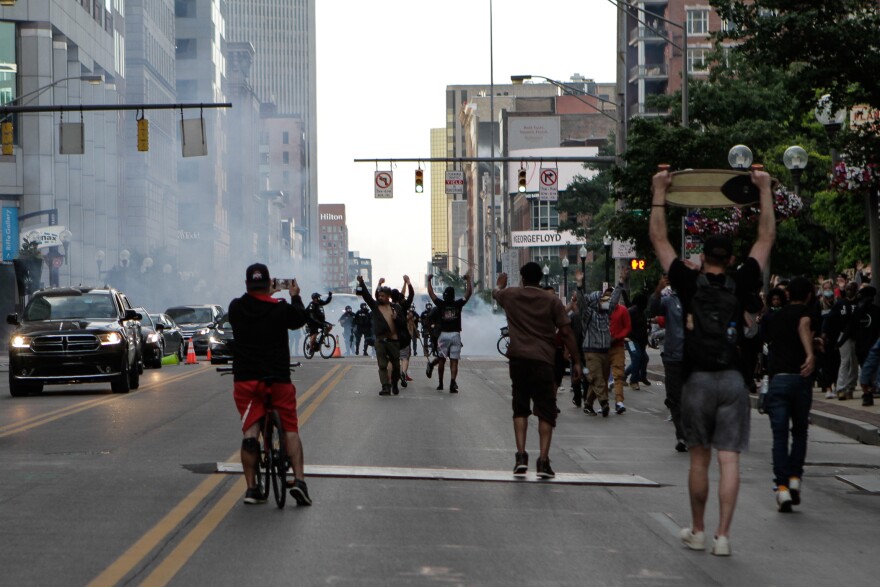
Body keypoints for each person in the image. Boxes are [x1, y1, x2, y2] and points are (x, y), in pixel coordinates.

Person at [650, 165, 774, 557]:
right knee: (730, 459)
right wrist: (765, 189)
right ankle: (723, 536)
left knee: (699, 459)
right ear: (733, 258)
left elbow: (658, 237)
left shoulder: (687, 283)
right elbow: (767, 236)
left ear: (702, 257)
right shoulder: (744, 280)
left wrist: (660, 191)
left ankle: (698, 530)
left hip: (697, 380)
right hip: (734, 381)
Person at [228, 263, 312, 506]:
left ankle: (252, 489)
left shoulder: (236, 307)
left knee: (250, 429)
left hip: (246, 380)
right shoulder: (281, 309)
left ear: (246, 285)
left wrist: (265, 295)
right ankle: (299, 481)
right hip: (278, 379)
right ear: (269, 285)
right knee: (290, 429)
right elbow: (299, 319)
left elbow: (251, 307)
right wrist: (295, 296)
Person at [493, 263, 582, 478]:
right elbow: (567, 331)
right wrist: (577, 361)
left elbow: (496, 293)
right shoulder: (552, 301)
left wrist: (500, 284)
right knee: (545, 410)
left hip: (519, 359)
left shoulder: (511, 295)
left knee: (520, 406)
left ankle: (521, 456)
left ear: (522, 278)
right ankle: (543, 461)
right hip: (543, 360)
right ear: (541, 279)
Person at [762, 276, 816, 513]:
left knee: (779, 436)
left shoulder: (776, 316)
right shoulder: (805, 313)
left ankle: (781, 487)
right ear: (808, 296)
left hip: (778, 379)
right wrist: (810, 353)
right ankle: (795, 477)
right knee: (800, 430)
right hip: (800, 379)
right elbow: (803, 326)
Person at [573, 275, 623, 417]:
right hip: (591, 352)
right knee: (597, 378)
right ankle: (604, 403)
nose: (605, 301)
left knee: (599, 378)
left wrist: (620, 283)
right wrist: (579, 286)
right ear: (595, 302)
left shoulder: (606, 314)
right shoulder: (588, 315)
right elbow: (582, 303)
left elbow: (613, 301)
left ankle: (588, 404)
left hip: (605, 351)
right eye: (602, 299)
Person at [649, 276, 688, 452]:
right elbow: (653, 309)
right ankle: (682, 435)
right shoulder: (670, 301)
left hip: (693, 356)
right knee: (674, 397)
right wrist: (658, 289)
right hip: (673, 355)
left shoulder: (698, 299)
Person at [357, 275, 407, 396]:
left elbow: (403, 323)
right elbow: (367, 296)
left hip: (394, 341)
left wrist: (396, 318)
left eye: (383, 296)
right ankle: (385, 386)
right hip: (380, 341)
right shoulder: (375, 307)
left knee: (396, 365)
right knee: (382, 364)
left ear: (388, 297)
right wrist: (361, 282)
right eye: (379, 296)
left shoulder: (396, 307)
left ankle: (394, 383)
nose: (380, 297)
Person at [426, 274, 473, 393]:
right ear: (453, 296)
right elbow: (468, 294)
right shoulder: (458, 304)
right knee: (454, 361)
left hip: (443, 335)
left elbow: (432, 295)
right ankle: (452, 383)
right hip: (455, 335)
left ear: (444, 295)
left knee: (441, 360)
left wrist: (429, 281)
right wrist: (468, 280)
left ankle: (441, 384)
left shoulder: (441, 305)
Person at [826, 281, 860, 400]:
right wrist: (826, 333)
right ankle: (841, 388)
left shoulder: (859, 304)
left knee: (854, 362)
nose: (849, 291)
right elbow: (830, 318)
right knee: (845, 361)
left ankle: (850, 387)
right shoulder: (840, 304)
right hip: (843, 335)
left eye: (851, 289)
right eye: (847, 289)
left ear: (856, 291)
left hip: (857, 336)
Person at [608, 288, 632, 414]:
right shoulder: (602, 310)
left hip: (617, 347)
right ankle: (602, 401)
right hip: (603, 347)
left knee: (618, 375)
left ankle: (619, 401)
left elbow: (627, 327)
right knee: (600, 376)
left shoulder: (623, 310)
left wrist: (617, 337)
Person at [625, 293, 650, 391]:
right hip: (630, 340)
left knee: (644, 358)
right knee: (636, 357)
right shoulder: (632, 311)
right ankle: (633, 380)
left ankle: (625, 375)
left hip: (639, 341)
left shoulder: (641, 312)